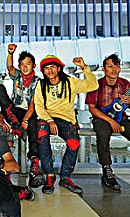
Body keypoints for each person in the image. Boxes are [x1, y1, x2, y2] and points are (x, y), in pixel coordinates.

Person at [85, 54, 130, 193]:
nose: (114, 69)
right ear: (104, 69)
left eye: (117, 66)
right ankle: (107, 171)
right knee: (103, 133)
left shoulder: (125, 84)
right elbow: (92, 108)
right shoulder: (96, 85)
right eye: (110, 66)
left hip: (121, 118)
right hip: (102, 118)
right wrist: (110, 121)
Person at [35, 55, 98, 194]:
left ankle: (65, 177)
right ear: (43, 71)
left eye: (52, 67)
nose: (50, 70)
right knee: (41, 135)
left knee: (74, 142)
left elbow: (93, 85)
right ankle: (49, 176)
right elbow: (38, 106)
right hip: (47, 118)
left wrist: (84, 67)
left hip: (65, 120)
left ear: (58, 68)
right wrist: (49, 121)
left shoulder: (70, 82)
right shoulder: (40, 84)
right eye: (46, 68)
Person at [0, 44, 44, 187]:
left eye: (27, 64)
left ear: (33, 65)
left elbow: (34, 104)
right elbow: (10, 67)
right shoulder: (17, 77)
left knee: (35, 130)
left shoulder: (38, 82)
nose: (24, 67)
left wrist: (26, 120)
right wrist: (10, 53)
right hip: (14, 112)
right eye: (22, 64)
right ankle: (16, 125)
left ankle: (34, 169)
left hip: (30, 113)